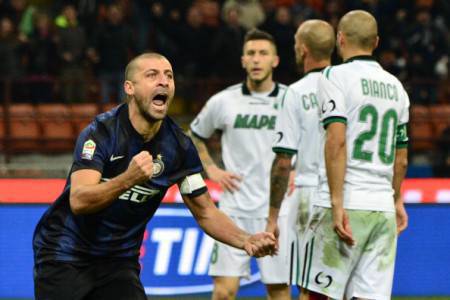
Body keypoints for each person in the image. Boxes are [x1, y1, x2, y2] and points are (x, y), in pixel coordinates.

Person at [32, 52, 277, 300]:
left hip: (118, 260)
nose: (163, 81)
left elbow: (205, 212)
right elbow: (80, 200)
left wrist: (246, 240)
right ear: (129, 87)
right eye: (152, 75)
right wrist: (128, 179)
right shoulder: (101, 134)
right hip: (65, 253)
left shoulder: (179, 147)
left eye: (168, 76)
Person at [297, 10, 409, 300]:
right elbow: (402, 157)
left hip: (346, 203)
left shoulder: (334, 76)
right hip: (381, 207)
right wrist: (396, 200)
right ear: (376, 41)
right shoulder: (397, 88)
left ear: (340, 39)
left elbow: (336, 142)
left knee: (319, 295)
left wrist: (336, 203)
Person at [189, 29, 296, 300]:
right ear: (242, 61)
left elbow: (313, 140)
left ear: (275, 60)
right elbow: (194, 136)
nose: (256, 59)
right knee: (224, 292)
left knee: (279, 291)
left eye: (263, 53)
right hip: (233, 210)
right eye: (251, 54)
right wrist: (211, 169)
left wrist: (299, 169)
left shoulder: (291, 99)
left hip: (277, 211)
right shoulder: (224, 100)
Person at [266, 19, 335, 285]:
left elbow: (283, 163)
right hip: (348, 193)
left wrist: (272, 217)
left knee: (309, 286)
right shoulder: (348, 87)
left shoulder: (295, 92)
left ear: (303, 49)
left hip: (309, 195)